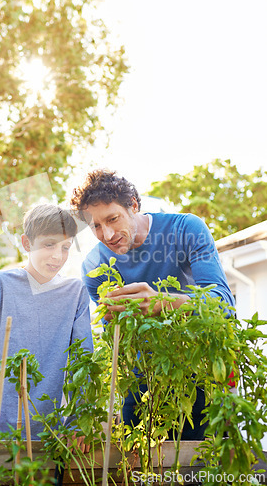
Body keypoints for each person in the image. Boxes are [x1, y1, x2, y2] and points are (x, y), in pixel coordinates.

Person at [70, 169, 235, 439]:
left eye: (113, 218)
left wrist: (163, 301)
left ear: (133, 205)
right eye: (96, 226)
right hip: (140, 385)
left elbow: (224, 304)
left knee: (200, 470)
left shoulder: (186, 229)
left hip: (200, 378)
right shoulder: (95, 267)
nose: (108, 234)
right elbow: (115, 342)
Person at [0, 204, 93, 443]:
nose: (58, 256)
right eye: (49, 244)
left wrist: (79, 421)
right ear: (26, 244)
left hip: (53, 437)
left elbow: (83, 363)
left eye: (65, 247)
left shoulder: (76, 292)